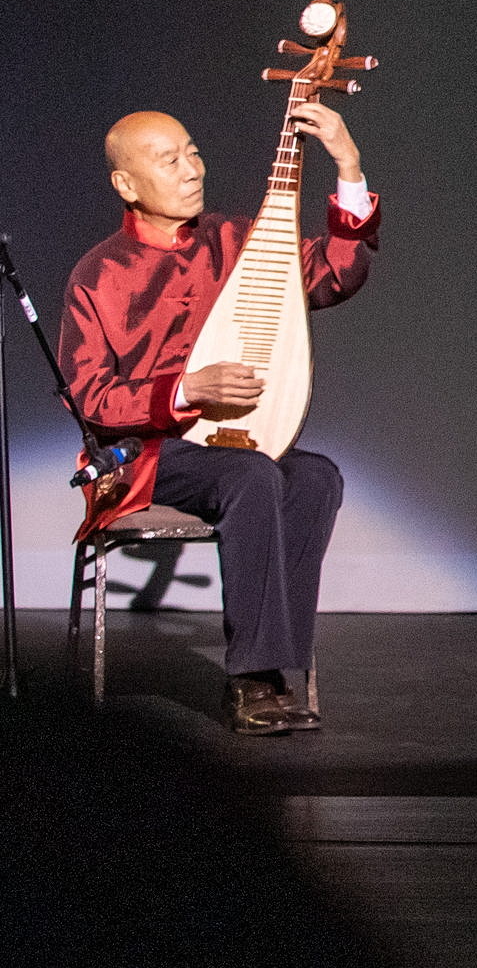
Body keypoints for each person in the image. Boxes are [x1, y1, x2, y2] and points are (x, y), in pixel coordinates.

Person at [62, 104, 380, 733]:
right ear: (126, 184)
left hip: (231, 444)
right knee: (251, 476)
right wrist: (185, 389)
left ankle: (281, 664)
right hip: (146, 456)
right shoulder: (98, 275)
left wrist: (348, 163)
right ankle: (255, 681)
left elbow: (333, 275)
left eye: (193, 152)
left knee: (316, 477)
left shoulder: (235, 240)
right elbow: (90, 397)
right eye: (169, 160)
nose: (192, 170)